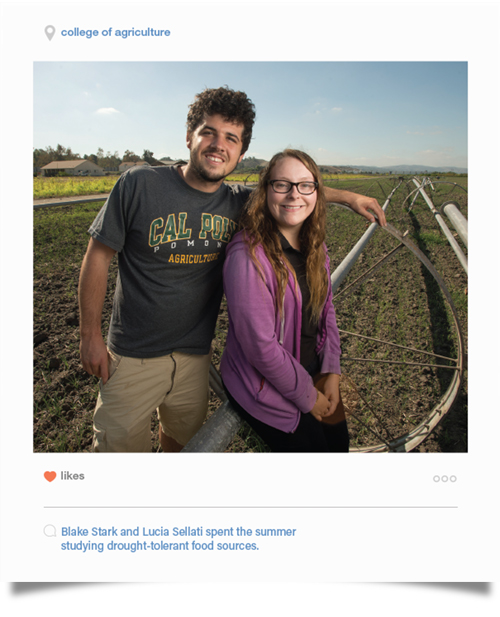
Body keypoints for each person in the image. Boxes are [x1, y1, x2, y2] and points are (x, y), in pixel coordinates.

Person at [79, 86, 385, 453]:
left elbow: (294, 189)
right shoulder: (140, 184)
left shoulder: (236, 201)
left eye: (231, 138)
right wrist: (89, 337)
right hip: (133, 355)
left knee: (181, 441)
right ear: (189, 136)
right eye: (208, 132)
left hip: (195, 356)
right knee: (119, 455)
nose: (218, 145)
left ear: (240, 152)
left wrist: (351, 197)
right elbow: (97, 257)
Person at [220, 149, 349, 452]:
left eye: (305, 185)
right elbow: (261, 348)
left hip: (312, 368)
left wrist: (331, 370)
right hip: (265, 382)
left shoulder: (314, 245)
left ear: (317, 192)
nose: (294, 195)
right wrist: (308, 396)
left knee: (339, 445)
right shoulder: (247, 257)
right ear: (265, 191)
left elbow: (325, 309)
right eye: (282, 184)